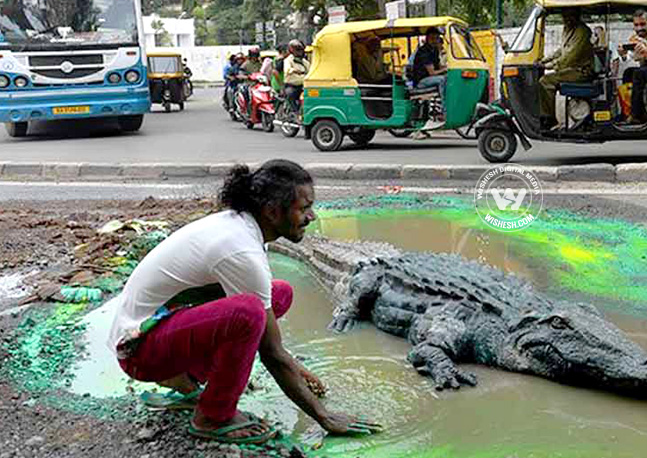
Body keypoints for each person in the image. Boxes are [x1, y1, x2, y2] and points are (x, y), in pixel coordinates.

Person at [108, 160, 382, 444]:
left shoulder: (245, 226)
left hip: (160, 326)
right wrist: (323, 415)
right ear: (273, 212)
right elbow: (271, 352)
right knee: (249, 312)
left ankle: (184, 376)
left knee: (279, 294)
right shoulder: (240, 249)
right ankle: (213, 417)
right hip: (137, 351)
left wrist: (294, 368)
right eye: (304, 208)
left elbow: (270, 340)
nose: (311, 216)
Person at [538, 8, 594, 130]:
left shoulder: (582, 31)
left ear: (577, 15)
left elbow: (569, 57)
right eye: (565, 16)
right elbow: (561, 51)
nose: (567, 19)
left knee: (546, 81)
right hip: (571, 69)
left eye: (570, 15)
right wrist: (544, 60)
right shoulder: (567, 29)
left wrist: (549, 66)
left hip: (581, 71)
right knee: (547, 79)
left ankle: (548, 119)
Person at [411, 27, 448, 131]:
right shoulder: (424, 52)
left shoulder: (434, 50)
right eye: (432, 38)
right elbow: (432, 73)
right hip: (421, 81)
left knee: (448, 78)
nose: (435, 40)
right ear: (427, 38)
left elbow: (439, 67)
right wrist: (445, 69)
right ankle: (445, 111)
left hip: (430, 78)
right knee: (443, 80)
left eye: (436, 38)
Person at [283, 39, 310, 116]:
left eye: (300, 50)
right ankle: (295, 112)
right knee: (290, 94)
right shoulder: (288, 60)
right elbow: (287, 70)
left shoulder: (305, 62)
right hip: (292, 85)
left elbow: (310, 70)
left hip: (303, 86)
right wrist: (294, 70)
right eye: (297, 50)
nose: (299, 52)